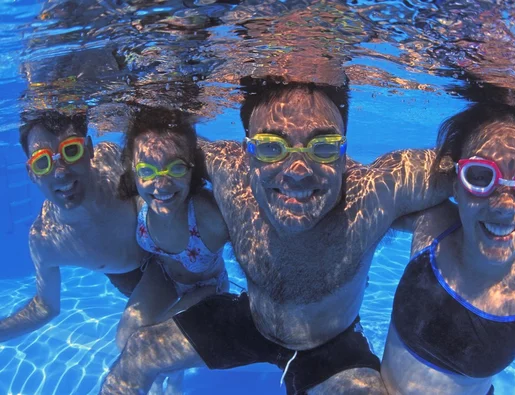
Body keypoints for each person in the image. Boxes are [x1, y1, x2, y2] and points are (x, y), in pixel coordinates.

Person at [100, 78, 453, 395]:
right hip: (251, 321)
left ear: (344, 151)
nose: (298, 171)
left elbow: (476, 169)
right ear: (248, 151)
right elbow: (164, 150)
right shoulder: (228, 170)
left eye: (323, 147)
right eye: (271, 147)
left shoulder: (375, 192)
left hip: (331, 344)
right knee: (139, 351)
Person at [381, 102, 515, 394]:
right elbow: (367, 200)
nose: (505, 206)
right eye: (481, 177)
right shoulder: (432, 225)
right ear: (456, 185)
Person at [0, 110, 146, 342]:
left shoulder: (111, 157)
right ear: (31, 173)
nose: (61, 173)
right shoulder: (44, 239)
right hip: (132, 278)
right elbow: (44, 307)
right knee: (135, 342)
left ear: (89, 149)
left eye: (71, 150)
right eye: (42, 162)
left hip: (176, 250)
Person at [115, 105, 229, 350]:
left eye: (176, 167)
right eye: (147, 170)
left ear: (192, 167)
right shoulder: (137, 205)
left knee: (155, 344)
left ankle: (172, 380)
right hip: (164, 277)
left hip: (208, 287)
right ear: (133, 171)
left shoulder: (208, 217)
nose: (161, 184)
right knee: (126, 339)